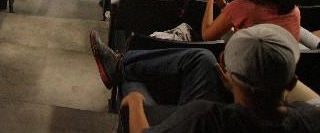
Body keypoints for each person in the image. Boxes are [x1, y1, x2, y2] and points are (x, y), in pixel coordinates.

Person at [90, 24, 320, 133]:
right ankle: (120, 65)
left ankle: (121, 70)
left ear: (226, 64)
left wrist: (134, 102)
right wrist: (240, 86)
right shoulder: (310, 119)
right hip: (250, 98)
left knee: (135, 88)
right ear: (291, 82)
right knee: (200, 57)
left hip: (185, 121)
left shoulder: (205, 117)